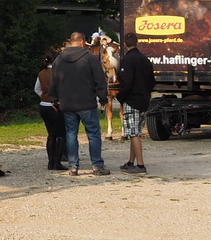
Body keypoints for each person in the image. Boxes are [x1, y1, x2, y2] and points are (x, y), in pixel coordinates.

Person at [53, 31, 111, 175]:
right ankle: (97, 165)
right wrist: (103, 98)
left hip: (67, 103)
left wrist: (54, 99)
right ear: (82, 42)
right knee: (93, 134)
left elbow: (54, 81)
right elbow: (99, 79)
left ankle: (73, 166)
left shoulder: (59, 60)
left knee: (71, 134)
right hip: (86, 103)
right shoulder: (90, 58)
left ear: (71, 41)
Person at [115, 34, 154, 174]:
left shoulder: (127, 60)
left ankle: (141, 166)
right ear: (137, 43)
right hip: (144, 101)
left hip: (132, 101)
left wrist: (120, 97)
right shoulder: (145, 60)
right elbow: (152, 82)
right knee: (135, 132)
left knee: (133, 134)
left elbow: (127, 83)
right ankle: (131, 162)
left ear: (125, 44)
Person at [34, 47, 66, 171]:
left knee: (51, 135)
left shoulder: (41, 73)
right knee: (61, 135)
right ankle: (57, 162)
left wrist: (44, 97)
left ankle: (50, 162)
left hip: (43, 106)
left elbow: (36, 89)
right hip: (56, 106)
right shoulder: (59, 73)